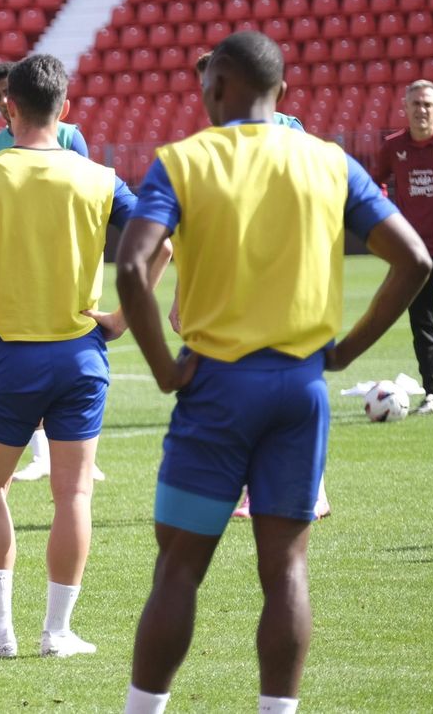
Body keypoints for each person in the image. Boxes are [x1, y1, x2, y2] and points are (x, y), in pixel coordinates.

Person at [115, 32, 429, 714]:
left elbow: (134, 266)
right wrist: (343, 352)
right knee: (285, 568)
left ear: (216, 87)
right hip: (299, 390)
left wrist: (168, 371)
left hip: (216, 387)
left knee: (178, 568)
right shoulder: (330, 162)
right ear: (281, 93)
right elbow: (415, 260)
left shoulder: (183, 161)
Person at [0, 53, 165, 660]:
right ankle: (57, 632)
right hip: (82, 354)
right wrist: (123, 318)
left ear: (9, 106)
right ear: (65, 108)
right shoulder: (100, 176)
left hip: (11, 354)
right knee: (74, 496)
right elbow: (159, 242)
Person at [189, 51, 329, 520]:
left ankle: (288, 491)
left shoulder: (287, 131)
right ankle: (304, 491)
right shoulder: (214, 143)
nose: (210, 93)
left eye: (215, 82)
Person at [0, 61, 103, 485]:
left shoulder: (71, 141)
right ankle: (40, 453)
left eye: (3, 95)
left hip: (61, 293)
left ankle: (68, 452)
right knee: (73, 494)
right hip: (24, 295)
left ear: (13, 101)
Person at [372, 80, 433, 416]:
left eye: (427, 104)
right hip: (417, 254)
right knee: (422, 324)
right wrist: (388, 214)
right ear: (406, 108)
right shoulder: (393, 146)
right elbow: (373, 185)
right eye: (416, 104)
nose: (422, 110)